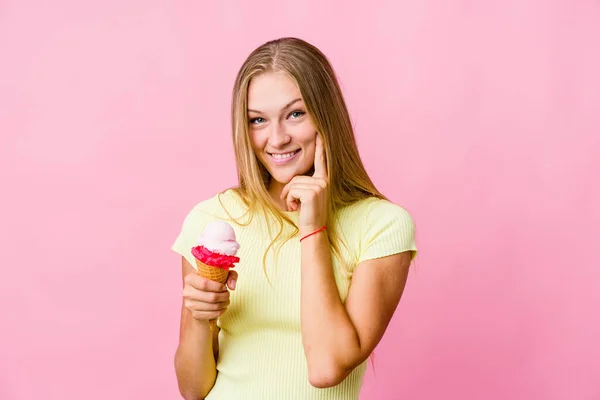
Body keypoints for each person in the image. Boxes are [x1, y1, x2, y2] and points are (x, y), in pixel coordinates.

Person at [171, 37, 418, 400]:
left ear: (326, 115)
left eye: (295, 114)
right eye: (258, 120)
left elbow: (327, 367)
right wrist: (199, 316)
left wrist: (313, 228)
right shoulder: (213, 219)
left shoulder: (382, 225)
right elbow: (193, 390)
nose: (277, 138)